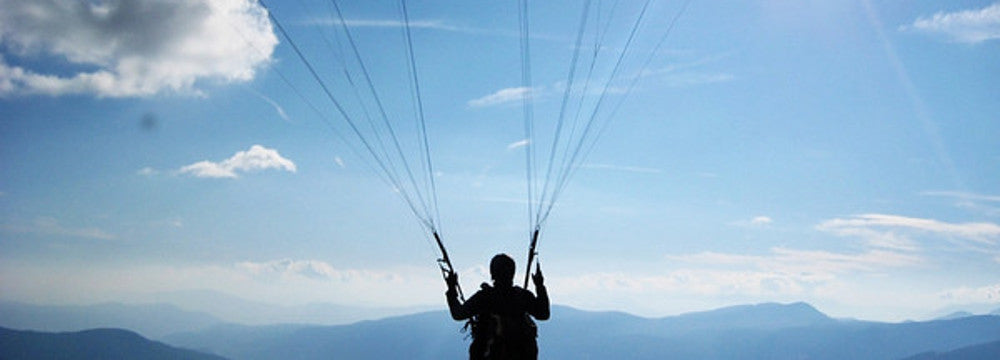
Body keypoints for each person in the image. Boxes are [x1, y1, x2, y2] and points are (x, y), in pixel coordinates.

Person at [446, 254, 550, 360]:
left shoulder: (484, 297)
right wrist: (540, 286)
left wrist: (451, 289)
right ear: (512, 273)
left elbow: (458, 314)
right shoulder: (523, 296)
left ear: (493, 273)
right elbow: (543, 314)